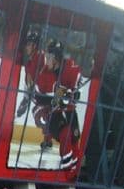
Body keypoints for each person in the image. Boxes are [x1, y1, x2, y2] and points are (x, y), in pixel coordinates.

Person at [18, 39, 83, 169]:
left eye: (49, 56)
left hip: (69, 111)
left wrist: (73, 94)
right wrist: (57, 97)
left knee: (75, 141)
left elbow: (75, 90)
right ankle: (67, 167)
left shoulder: (72, 69)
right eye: (46, 56)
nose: (46, 59)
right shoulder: (44, 74)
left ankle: (75, 169)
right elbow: (41, 96)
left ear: (57, 58)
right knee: (64, 135)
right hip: (53, 112)